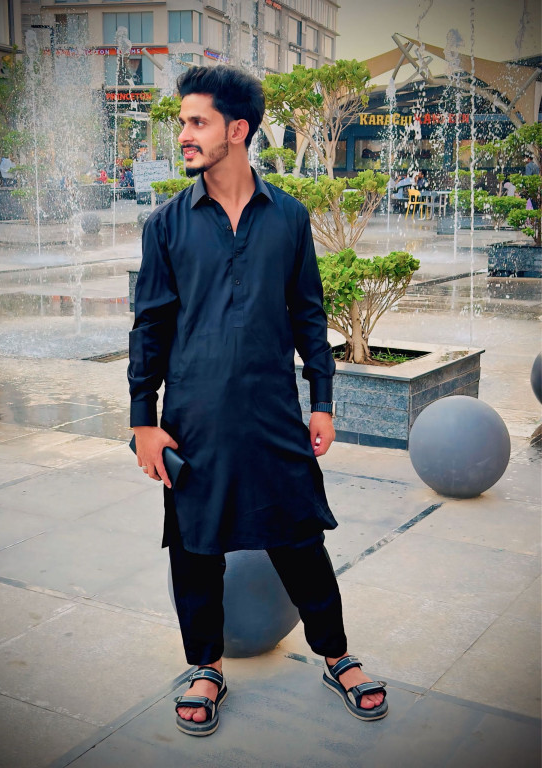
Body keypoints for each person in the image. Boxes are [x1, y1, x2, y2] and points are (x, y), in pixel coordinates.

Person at [128, 65, 388, 738]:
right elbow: (149, 327)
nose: (184, 134)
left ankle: (337, 655)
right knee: (195, 548)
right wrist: (143, 423)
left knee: (299, 539)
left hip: (274, 413)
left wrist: (322, 400)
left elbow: (308, 314)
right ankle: (206, 668)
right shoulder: (166, 225)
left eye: (198, 122)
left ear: (237, 129)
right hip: (193, 419)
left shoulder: (290, 218)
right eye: (183, 122)